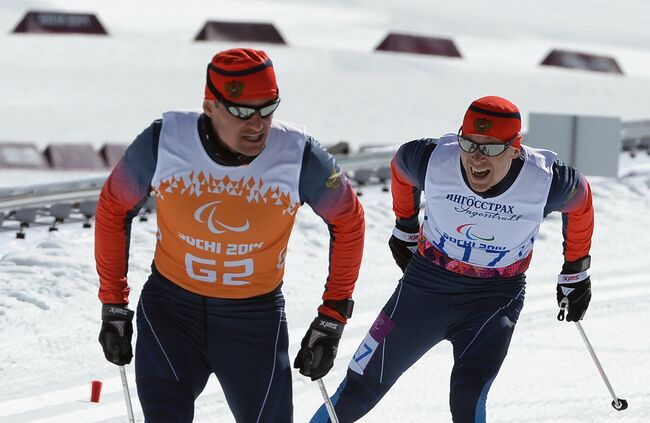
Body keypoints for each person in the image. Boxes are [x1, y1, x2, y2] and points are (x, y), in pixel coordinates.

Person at [95, 48, 365, 422]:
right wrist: (113, 303)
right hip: (173, 314)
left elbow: (349, 221)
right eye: (241, 111)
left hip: (253, 322)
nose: (257, 124)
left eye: (268, 108)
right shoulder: (164, 141)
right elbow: (113, 207)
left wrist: (333, 316)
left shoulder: (299, 155)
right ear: (210, 106)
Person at [310, 96, 594, 422]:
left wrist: (576, 271)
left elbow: (582, 203)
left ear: (515, 148)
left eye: (489, 148)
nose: (475, 158)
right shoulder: (432, 159)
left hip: (493, 300)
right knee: (359, 387)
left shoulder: (547, 181)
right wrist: (405, 226)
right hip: (424, 289)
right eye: (469, 143)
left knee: (467, 398)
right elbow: (400, 166)